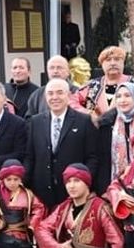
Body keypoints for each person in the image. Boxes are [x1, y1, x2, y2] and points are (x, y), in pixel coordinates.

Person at [24, 78, 97, 210]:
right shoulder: (36, 122)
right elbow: (30, 156)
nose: (55, 97)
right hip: (42, 194)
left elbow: (93, 156)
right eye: (50, 93)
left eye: (59, 93)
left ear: (68, 96)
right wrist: (24, 184)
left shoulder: (84, 121)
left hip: (73, 193)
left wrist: (84, 182)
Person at [72, 46, 134, 120]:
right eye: (108, 60)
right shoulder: (92, 86)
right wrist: (87, 114)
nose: (113, 63)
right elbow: (71, 102)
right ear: (102, 64)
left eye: (117, 59)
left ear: (123, 62)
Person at [96, 81, 134, 187]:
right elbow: (101, 160)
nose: (122, 100)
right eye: (119, 96)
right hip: (113, 185)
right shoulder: (106, 123)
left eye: (127, 96)